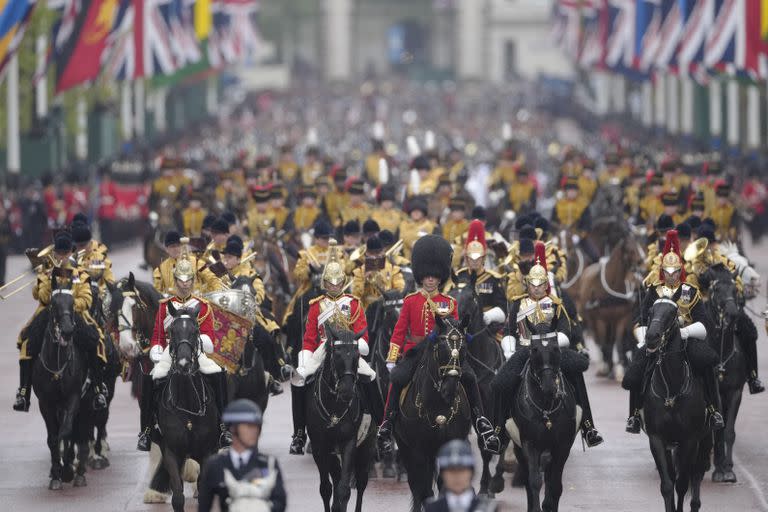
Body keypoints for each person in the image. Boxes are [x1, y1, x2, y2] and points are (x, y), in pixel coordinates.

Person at [377, 235, 500, 455]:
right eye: (426, 276)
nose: (430, 280)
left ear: (440, 277)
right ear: (420, 277)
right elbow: (399, 332)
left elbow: (454, 328)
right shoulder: (410, 301)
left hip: (444, 353)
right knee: (396, 379)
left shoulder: (449, 302)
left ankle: (481, 422)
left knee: (470, 378)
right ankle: (387, 424)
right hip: (415, 352)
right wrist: (392, 357)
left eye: (434, 276)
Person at [494, 241, 603, 447]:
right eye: (532, 285)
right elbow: (509, 330)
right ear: (527, 285)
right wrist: (509, 347)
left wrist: (552, 343)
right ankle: (498, 432)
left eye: (540, 285)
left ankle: (588, 426)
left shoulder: (556, 304)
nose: (536, 289)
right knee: (502, 382)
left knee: (576, 375)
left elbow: (565, 331)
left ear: (546, 284)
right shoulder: (518, 303)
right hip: (525, 351)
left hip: (551, 353)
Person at [624, 230, 725, 433]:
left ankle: (713, 410)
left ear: (681, 270)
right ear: (662, 270)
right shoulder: (654, 290)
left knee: (705, 364)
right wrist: (646, 337)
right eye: (667, 272)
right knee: (638, 366)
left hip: (684, 339)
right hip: (657, 340)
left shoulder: (690, 291)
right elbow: (640, 319)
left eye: (675, 271)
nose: (671, 276)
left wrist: (686, 333)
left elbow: (704, 322)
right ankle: (634, 415)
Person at [288, 242, 378, 454]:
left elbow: (362, 331)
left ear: (343, 283)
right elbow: (310, 336)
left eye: (338, 283)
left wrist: (359, 345)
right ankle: (299, 433)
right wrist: (305, 356)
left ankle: (380, 426)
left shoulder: (353, 303)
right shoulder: (315, 305)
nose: (335, 286)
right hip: (323, 348)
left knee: (371, 376)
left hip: (348, 348)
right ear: (325, 283)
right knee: (298, 379)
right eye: (330, 283)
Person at [144, 252, 232, 449]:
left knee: (219, 373)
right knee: (152, 377)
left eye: (188, 280)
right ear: (175, 280)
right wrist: (157, 350)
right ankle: (148, 429)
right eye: (181, 280)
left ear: (193, 280)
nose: (185, 284)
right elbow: (158, 335)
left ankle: (223, 427)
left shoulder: (202, 306)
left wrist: (194, 341)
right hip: (171, 351)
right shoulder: (165, 306)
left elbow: (210, 335)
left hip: (196, 349)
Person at [14, 231, 107, 412]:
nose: (62, 256)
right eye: (59, 253)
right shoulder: (47, 271)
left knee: (96, 341)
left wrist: (69, 304)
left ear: (71, 253)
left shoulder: (80, 273)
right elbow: (39, 295)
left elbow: (86, 298)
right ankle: (23, 391)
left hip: (73, 313)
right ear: (55, 253)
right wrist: (48, 282)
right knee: (27, 341)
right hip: (49, 312)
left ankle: (97, 389)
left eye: (66, 253)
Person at [198, 399, 287, 512]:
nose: (254, 431)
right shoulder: (216, 465)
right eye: (249, 426)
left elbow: (280, 502)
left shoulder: (268, 464)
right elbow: (204, 507)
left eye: (257, 427)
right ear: (233, 428)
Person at [424, 440, 497, 512]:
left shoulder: (489, 508)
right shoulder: (432, 508)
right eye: (451, 471)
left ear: (472, 472)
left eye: (462, 470)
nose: (457, 476)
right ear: (442, 474)